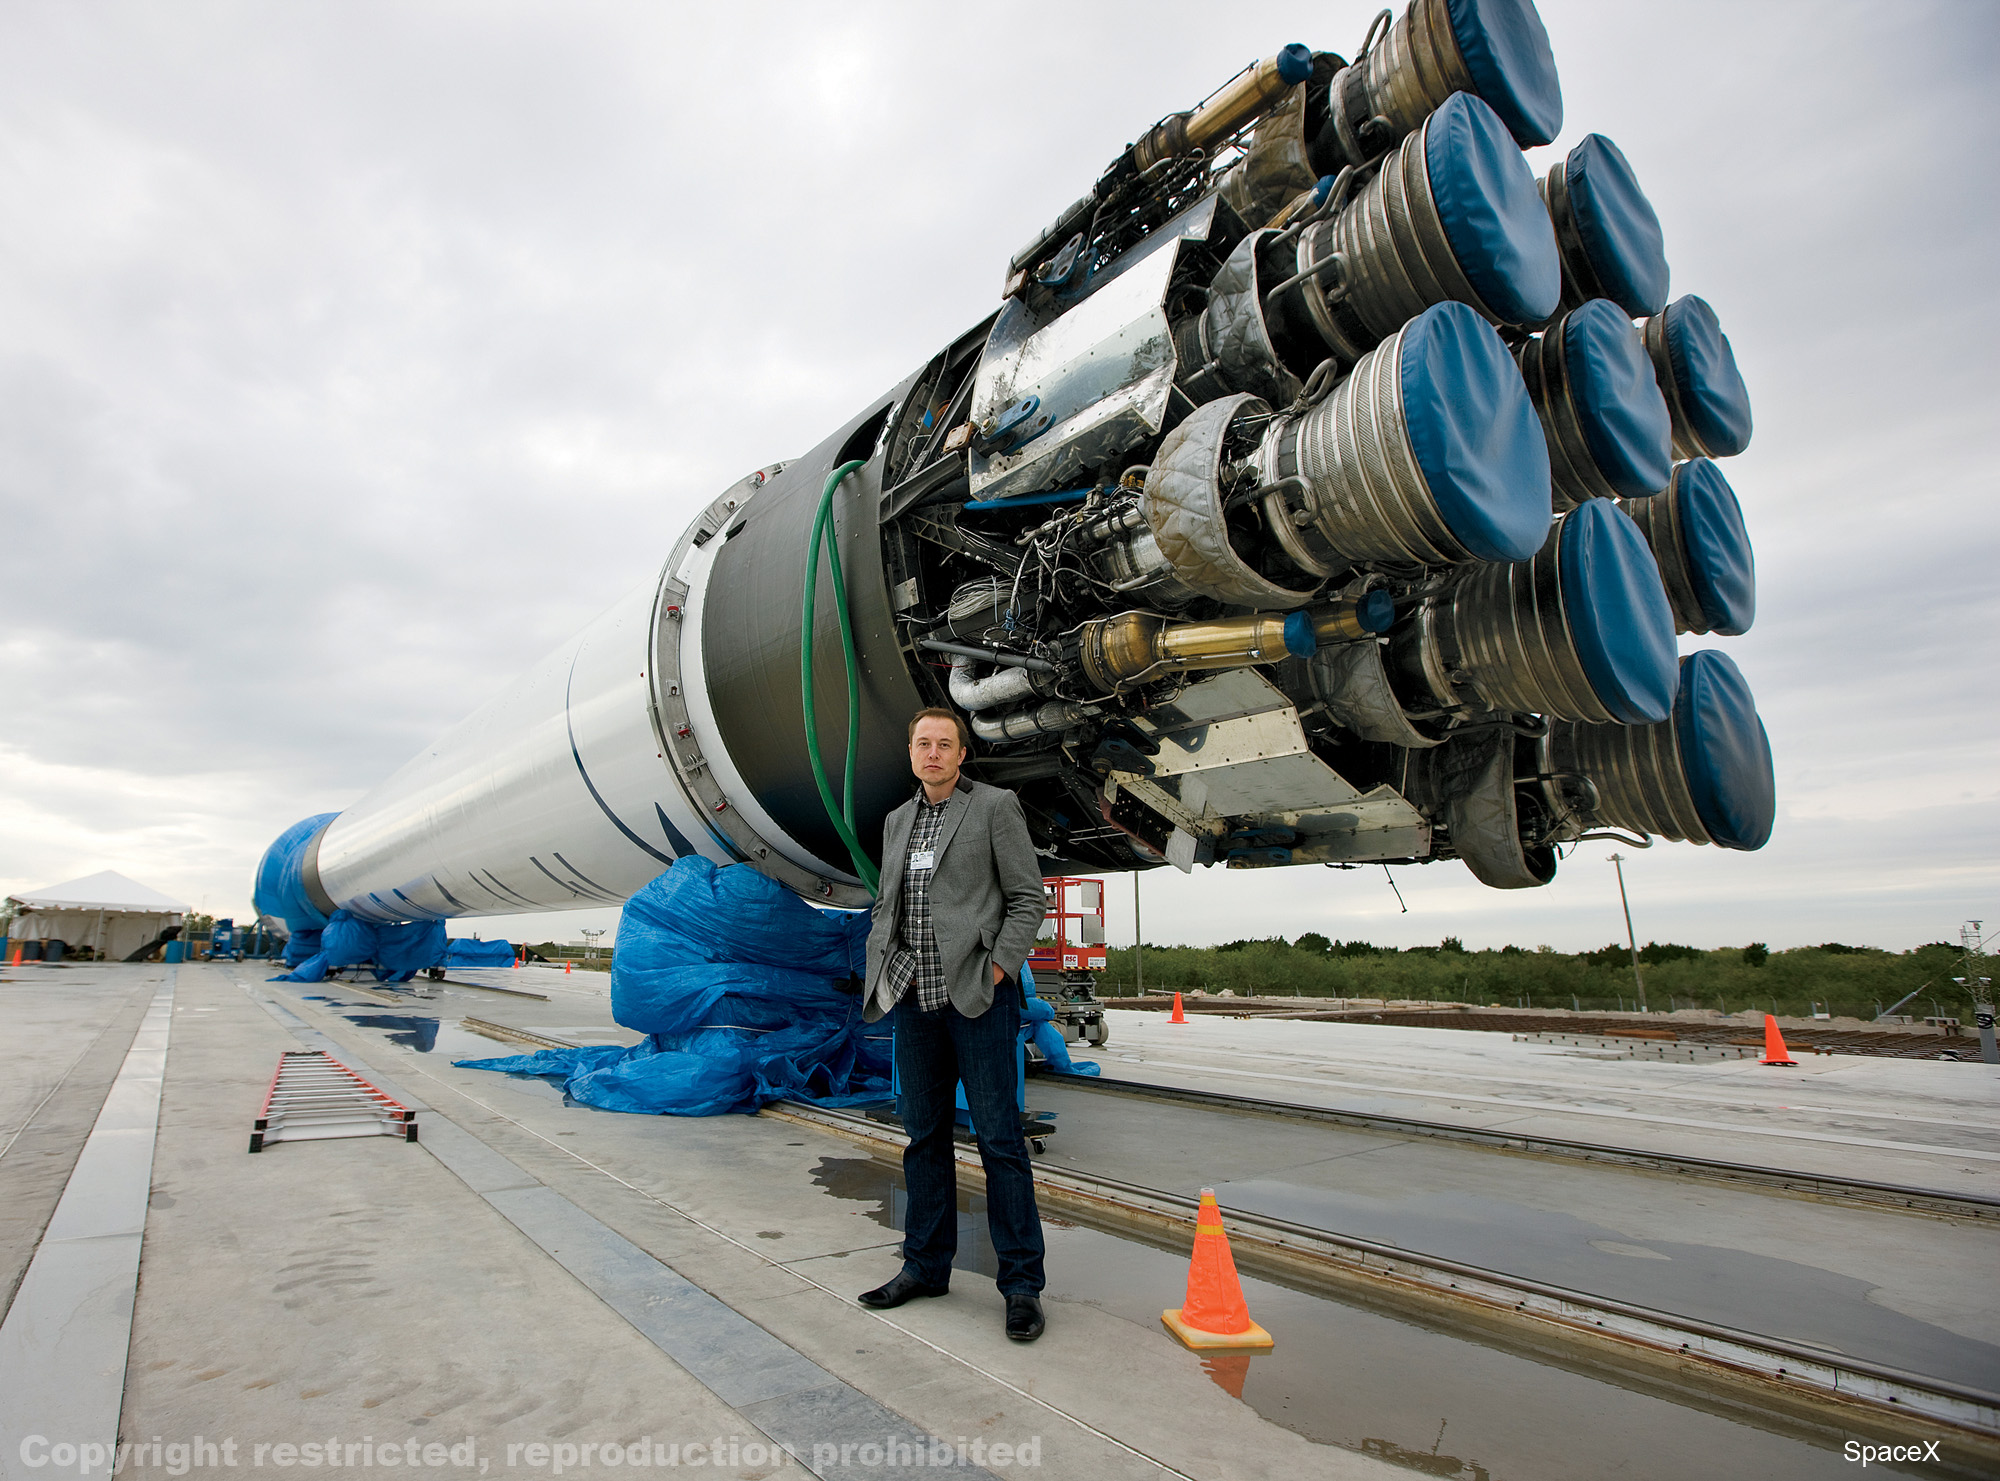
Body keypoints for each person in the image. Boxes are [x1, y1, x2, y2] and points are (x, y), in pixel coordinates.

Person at [856, 707, 1050, 1340]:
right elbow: (889, 902)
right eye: (923, 744)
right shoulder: (896, 822)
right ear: (911, 753)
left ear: (962, 754)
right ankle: (925, 1266)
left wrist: (1000, 967)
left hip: (977, 998)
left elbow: (1028, 896)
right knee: (924, 1138)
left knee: (999, 1142)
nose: (933, 753)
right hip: (914, 1001)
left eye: (945, 744)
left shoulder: (994, 808)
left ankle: (1021, 1285)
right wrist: (878, 968)